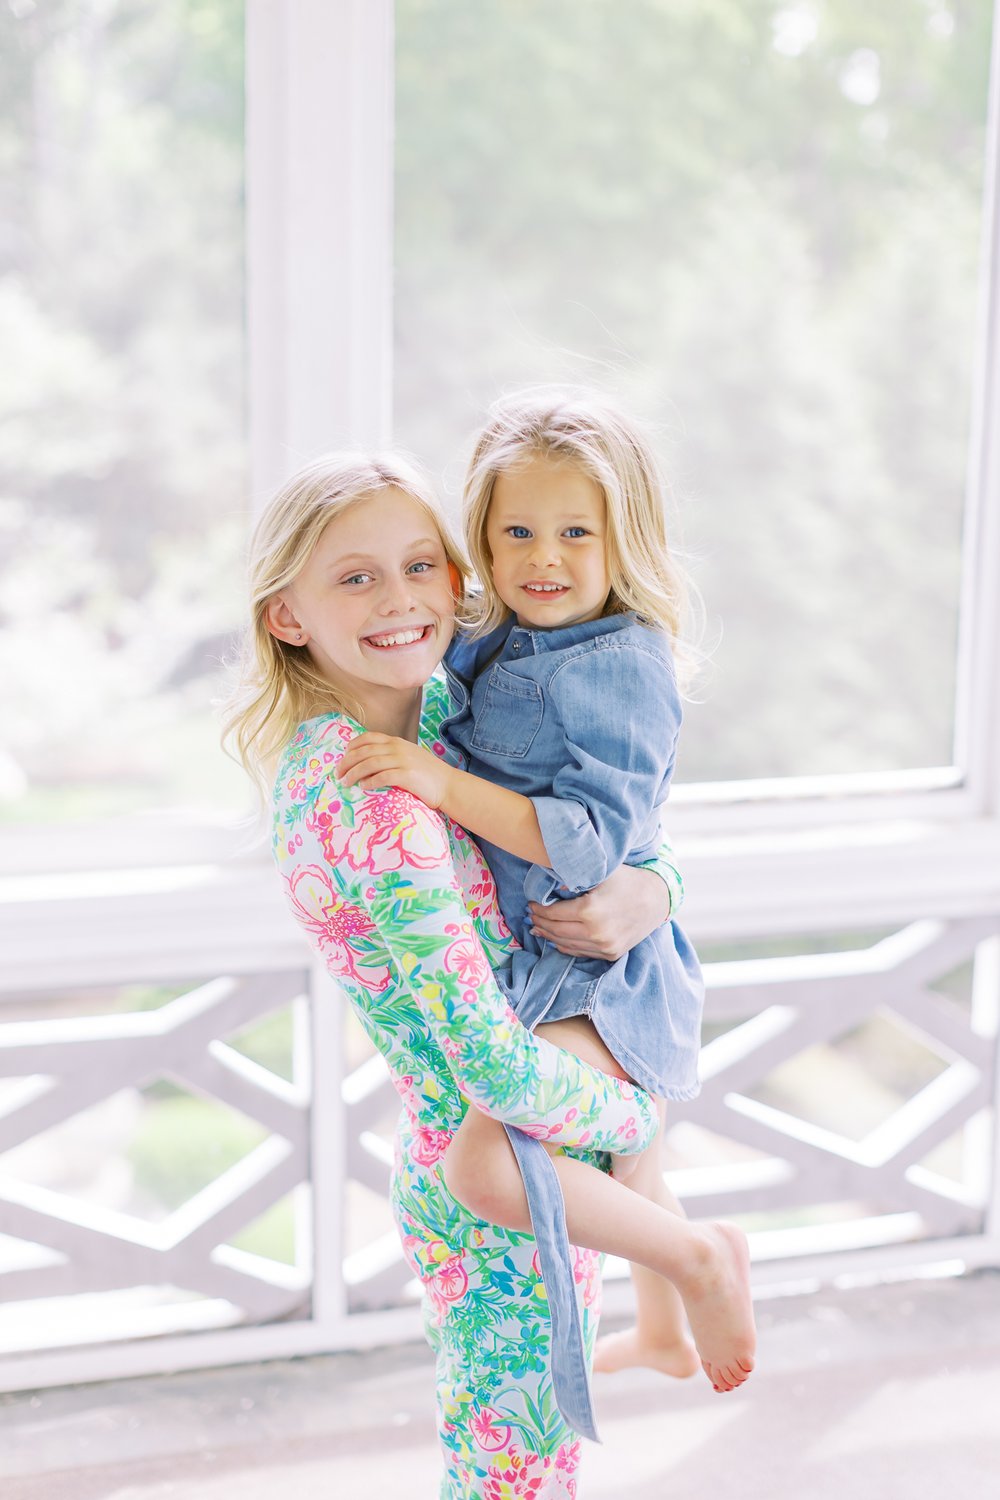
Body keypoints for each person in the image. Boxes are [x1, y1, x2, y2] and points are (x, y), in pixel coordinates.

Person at [226, 452, 752, 1500]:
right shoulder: (379, 801)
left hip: (523, 1165)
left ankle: (684, 1266)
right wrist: (639, 1123)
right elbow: (494, 1066)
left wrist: (653, 888)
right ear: (287, 616)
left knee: (509, 1473)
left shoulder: (415, 732)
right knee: (513, 1484)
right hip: (504, 1177)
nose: (403, 598)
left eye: (421, 564)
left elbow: (600, 832)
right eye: (355, 578)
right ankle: (694, 1258)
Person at [337, 391, 755, 1393]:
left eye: (576, 533)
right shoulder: (495, 634)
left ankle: (699, 1261)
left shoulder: (620, 664)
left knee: (482, 1171)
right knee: (631, 1165)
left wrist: (438, 784)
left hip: (600, 975)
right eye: (515, 530)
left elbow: (590, 840)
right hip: (548, 959)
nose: (544, 558)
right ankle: (661, 1333)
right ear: (478, 536)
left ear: (625, 541)